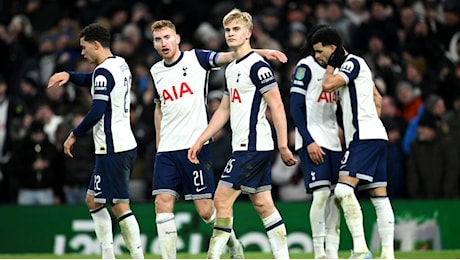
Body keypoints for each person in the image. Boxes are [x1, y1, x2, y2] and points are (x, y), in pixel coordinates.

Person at [150, 19, 288, 259]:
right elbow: (160, 107)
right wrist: (160, 141)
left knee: (209, 208)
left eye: (167, 37)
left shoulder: (197, 59)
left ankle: (232, 246)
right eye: (158, 39)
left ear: (177, 38)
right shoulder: (156, 71)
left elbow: (233, 55)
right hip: (169, 149)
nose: (164, 43)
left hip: (215, 146)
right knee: (162, 203)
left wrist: (263, 51)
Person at [187, 9, 297, 259]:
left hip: (254, 145)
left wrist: (283, 145)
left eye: (236, 29)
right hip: (243, 146)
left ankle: (216, 256)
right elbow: (224, 110)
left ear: (249, 33)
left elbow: (277, 105)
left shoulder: (258, 67)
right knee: (263, 204)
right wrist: (201, 138)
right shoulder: (230, 69)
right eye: (227, 30)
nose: (231, 34)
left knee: (221, 200)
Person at [47, 23, 144, 259]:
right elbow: (91, 78)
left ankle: (136, 256)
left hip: (113, 148)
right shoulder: (119, 64)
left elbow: (96, 111)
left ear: (96, 45)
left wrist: (73, 134)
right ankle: (108, 254)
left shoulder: (104, 72)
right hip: (123, 143)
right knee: (93, 200)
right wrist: (69, 75)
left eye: (84, 47)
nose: (82, 52)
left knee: (119, 205)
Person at [311, 26, 395, 259]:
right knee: (379, 196)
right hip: (374, 135)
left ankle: (360, 250)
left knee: (342, 190)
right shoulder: (360, 66)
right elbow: (377, 97)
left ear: (333, 48)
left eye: (320, 51)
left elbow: (327, 85)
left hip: (364, 137)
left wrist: (331, 66)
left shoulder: (351, 63)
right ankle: (388, 255)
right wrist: (373, 123)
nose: (318, 56)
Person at [289, 24, 342, 259]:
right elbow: (296, 107)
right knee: (320, 194)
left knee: (336, 197)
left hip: (334, 141)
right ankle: (319, 251)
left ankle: (332, 251)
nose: (317, 55)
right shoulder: (305, 67)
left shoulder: (338, 70)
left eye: (320, 51)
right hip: (313, 139)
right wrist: (308, 141)